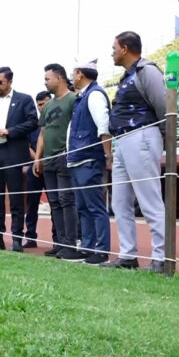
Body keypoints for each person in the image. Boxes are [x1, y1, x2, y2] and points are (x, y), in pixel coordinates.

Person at [101, 31, 167, 273]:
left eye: (114, 48)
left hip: (141, 135)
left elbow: (164, 106)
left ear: (125, 49)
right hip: (123, 140)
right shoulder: (127, 75)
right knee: (120, 203)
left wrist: (164, 140)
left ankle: (162, 257)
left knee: (149, 200)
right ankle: (127, 255)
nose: (112, 52)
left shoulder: (147, 71)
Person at [0, 66, 39, 251]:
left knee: (16, 199)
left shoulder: (24, 99)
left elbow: (33, 122)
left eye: (0, 82)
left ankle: (16, 239)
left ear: (10, 82)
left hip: (13, 154)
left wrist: (10, 131)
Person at [33, 63, 82, 261]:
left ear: (59, 78)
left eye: (47, 78)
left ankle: (70, 243)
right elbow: (42, 134)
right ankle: (60, 243)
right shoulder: (48, 106)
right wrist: (38, 158)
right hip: (49, 160)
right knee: (54, 202)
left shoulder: (73, 100)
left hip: (65, 157)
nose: (45, 82)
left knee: (66, 200)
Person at [67, 59, 113, 265]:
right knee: (83, 207)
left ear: (80, 74)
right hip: (79, 159)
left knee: (94, 206)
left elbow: (103, 125)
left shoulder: (94, 95)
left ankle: (101, 250)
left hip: (88, 158)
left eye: (74, 72)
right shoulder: (83, 97)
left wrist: (107, 155)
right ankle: (87, 247)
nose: (72, 76)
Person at [27, 91, 52, 252]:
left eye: (44, 103)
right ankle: (30, 237)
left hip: (52, 166)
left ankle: (59, 239)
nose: (41, 107)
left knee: (56, 203)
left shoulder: (57, 122)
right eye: (39, 105)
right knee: (31, 204)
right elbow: (27, 145)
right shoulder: (33, 125)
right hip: (34, 168)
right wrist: (37, 160)